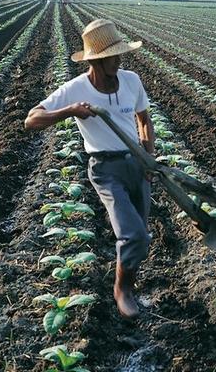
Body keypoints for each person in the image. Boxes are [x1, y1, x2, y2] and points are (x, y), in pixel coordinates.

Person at [24, 19, 155, 319]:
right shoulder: (76, 88)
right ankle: (122, 291)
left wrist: (149, 157)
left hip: (136, 164)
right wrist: (70, 111)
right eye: (113, 55)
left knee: (139, 232)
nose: (119, 60)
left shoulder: (132, 80)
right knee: (134, 235)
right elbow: (31, 119)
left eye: (120, 53)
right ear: (96, 59)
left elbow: (144, 121)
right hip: (105, 169)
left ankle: (129, 282)